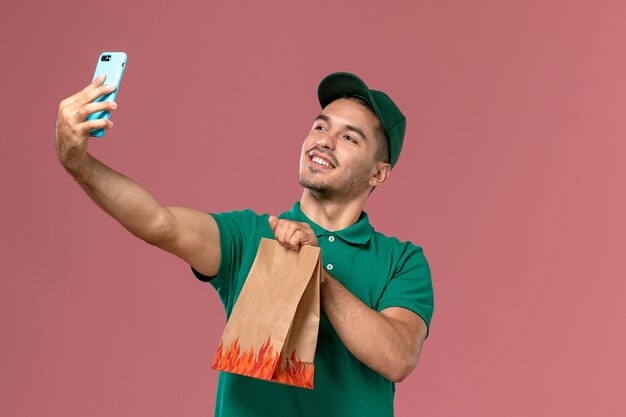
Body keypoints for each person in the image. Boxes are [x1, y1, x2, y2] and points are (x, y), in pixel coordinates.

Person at [55, 71, 434, 417]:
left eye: (349, 137)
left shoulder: (401, 261)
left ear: (378, 173)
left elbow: (397, 357)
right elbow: (158, 221)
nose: (324, 140)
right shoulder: (250, 236)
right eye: (320, 126)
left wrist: (314, 273)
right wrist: (78, 163)